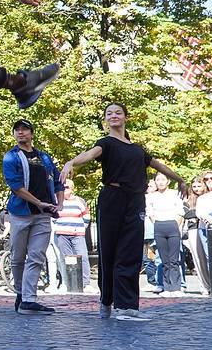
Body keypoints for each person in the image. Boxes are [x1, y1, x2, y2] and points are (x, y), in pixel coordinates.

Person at [61, 102, 187, 322]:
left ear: (126, 117)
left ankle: (126, 306)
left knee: (129, 252)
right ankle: (106, 301)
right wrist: (70, 162)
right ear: (105, 120)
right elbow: (89, 155)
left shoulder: (137, 149)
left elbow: (158, 166)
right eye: (109, 113)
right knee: (109, 251)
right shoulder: (106, 143)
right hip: (112, 198)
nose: (113, 116)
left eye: (118, 112)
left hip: (135, 201)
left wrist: (180, 180)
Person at [3, 118, 63, 315]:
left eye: (25, 129)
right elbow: (16, 187)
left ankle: (29, 299)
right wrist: (38, 202)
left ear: (31, 133)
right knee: (18, 257)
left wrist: (59, 204)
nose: (21, 133)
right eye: (17, 130)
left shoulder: (44, 157)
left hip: (42, 216)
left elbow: (58, 181)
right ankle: (21, 293)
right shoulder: (10, 157)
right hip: (20, 213)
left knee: (36, 256)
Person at [147, 172, 185, 297]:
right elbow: (150, 212)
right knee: (164, 260)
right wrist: (156, 222)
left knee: (174, 259)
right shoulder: (152, 196)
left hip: (173, 225)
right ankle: (167, 287)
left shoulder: (175, 194)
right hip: (159, 226)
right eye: (158, 180)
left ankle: (176, 287)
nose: (161, 182)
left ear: (168, 181)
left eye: (163, 179)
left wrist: (176, 224)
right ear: (155, 182)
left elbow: (180, 211)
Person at [53, 178, 92, 291]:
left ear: (72, 189)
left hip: (77, 234)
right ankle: (67, 283)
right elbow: (54, 216)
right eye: (62, 188)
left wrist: (80, 228)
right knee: (65, 258)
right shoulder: (57, 201)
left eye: (66, 187)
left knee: (82, 256)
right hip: (62, 233)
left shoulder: (79, 201)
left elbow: (86, 217)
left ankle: (86, 283)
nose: (64, 190)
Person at [187, 176, 209, 293]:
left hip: (206, 228)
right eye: (194, 186)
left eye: (199, 186)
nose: (196, 189)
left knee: (208, 257)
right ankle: (204, 286)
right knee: (198, 259)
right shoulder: (189, 199)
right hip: (193, 230)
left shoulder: (209, 197)